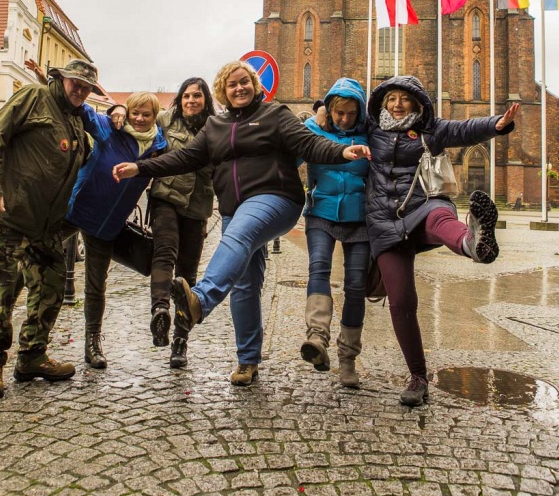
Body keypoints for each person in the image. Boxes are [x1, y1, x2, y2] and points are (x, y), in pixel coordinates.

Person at [113, 60, 368, 386]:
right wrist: (140, 168)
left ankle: (200, 300)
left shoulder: (275, 115)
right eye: (232, 84)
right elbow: (184, 157)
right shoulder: (215, 127)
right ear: (223, 90)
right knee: (245, 284)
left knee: (239, 233)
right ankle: (248, 360)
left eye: (245, 82)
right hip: (235, 207)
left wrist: (342, 152)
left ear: (255, 85)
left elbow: (309, 143)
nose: (239, 88)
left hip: (276, 198)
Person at [364, 75, 519, 406]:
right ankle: (418, 377)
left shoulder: (429, 131)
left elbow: (465, 130)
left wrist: (498, 124)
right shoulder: (371, 129)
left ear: (418, 103)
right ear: (382, 103)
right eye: (391, 98)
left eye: (404, 98)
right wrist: (321, 111)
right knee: (402, 302)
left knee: (441, 217)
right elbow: (340, 119)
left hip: (421, 206)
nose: (397, 104)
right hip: (384, 223)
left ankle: (473, 244)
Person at [0, 58, 103, 399]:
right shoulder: (33, 97)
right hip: (10, 215)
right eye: (75, 82)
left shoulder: (76, 121)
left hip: (46, 226)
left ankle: (32, 356)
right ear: (60, 79)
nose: (80, 89)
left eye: (86, 86)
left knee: (50, 287)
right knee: (1, 291)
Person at [66, 92, 167, 368]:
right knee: (49, 273)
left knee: (96, 286)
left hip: (107, 225)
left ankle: (92, 341)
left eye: (147, 114)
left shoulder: (159, 146)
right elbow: (84, 110)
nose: (140, 118)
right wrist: (116, 108)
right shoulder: (111, 127)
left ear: (154, 116)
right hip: (77, 211)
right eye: (136, 112)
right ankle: (35, 345)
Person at [300, 78, 369, 388]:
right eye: (339, 112)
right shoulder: (312, 129)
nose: (344, 118)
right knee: (318, 267)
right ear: (329, 108)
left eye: (350, 113)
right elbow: (289, 155)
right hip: (321, 212)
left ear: (360, 111)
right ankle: (317, 337)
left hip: (360, 219)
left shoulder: (371, 134)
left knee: (356, 286)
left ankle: (347, 357)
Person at [149, 78, 216, 367]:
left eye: (197, 96)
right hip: (166, 196)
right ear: (180, 98)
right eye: (186, 95)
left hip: (198, 205)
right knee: (165, 251)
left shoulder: (216, 127)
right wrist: (116, 111)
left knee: (187, 275)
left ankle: (180, 341)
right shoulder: (166, 119)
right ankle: (159, 311)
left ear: (205, 99)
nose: (191, 100)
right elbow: (137, 124)